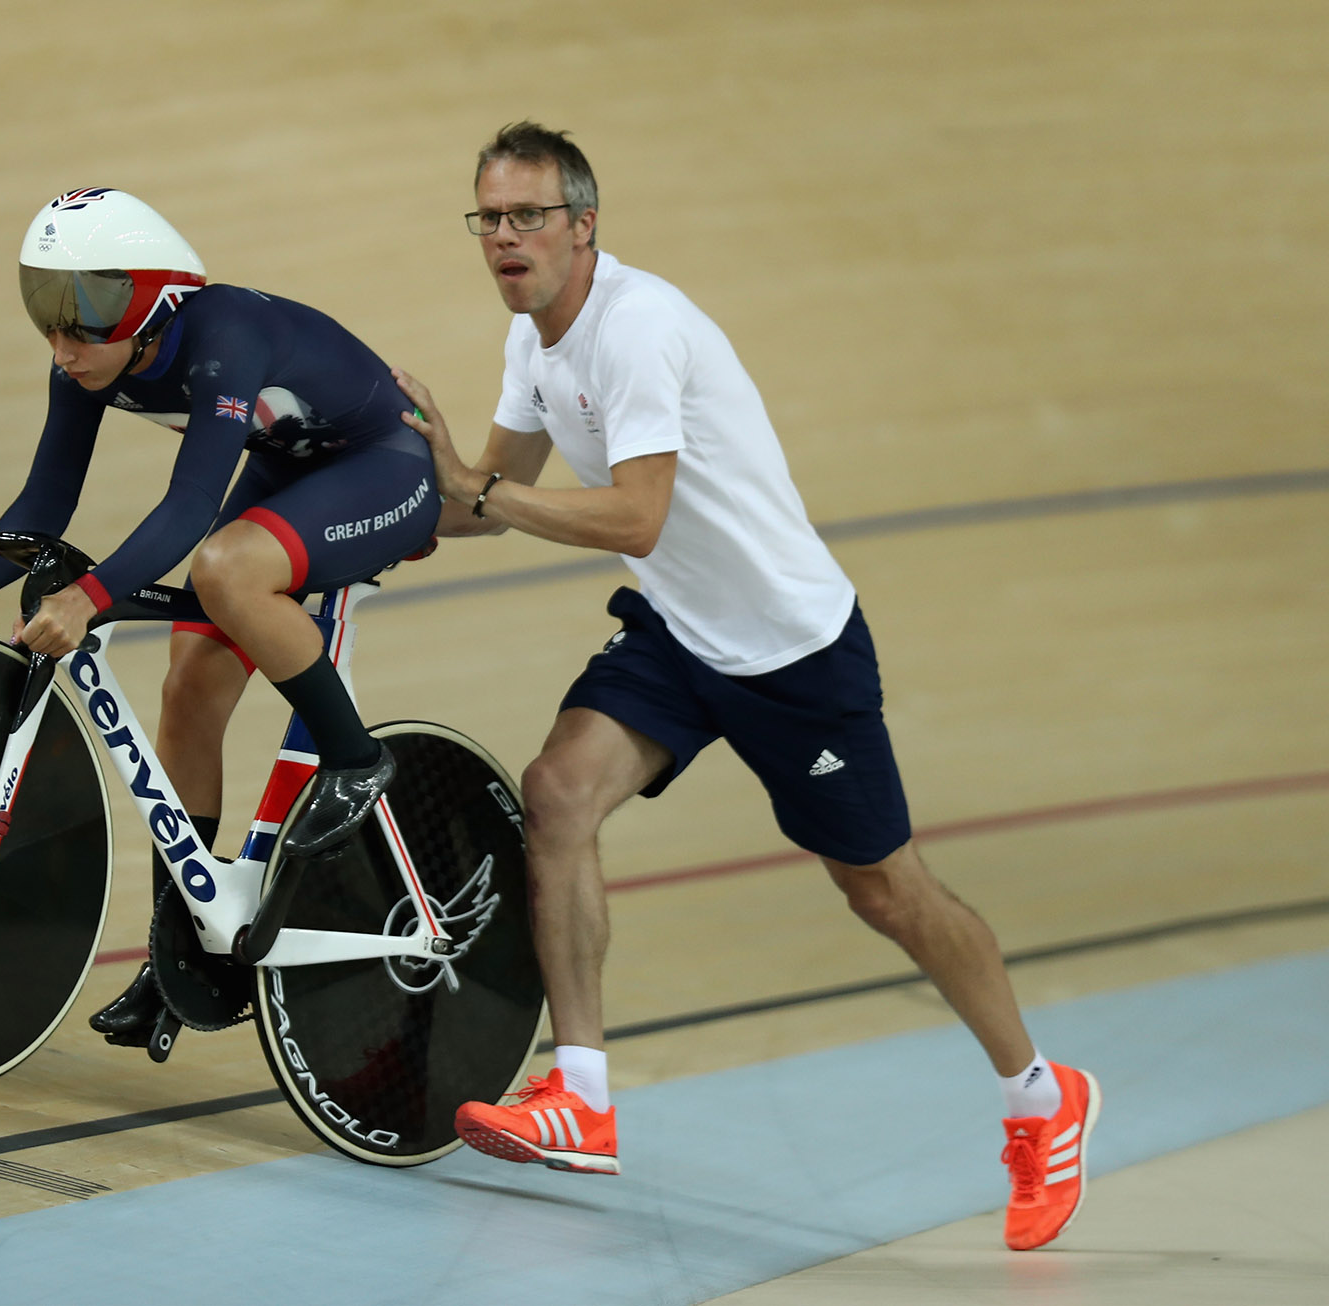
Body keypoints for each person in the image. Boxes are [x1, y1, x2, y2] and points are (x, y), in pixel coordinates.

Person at [391, 123, 1099, 1251]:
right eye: (489, 218)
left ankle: (1038, 1094)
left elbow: (631, 515)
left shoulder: (637, 329)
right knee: (560, 789)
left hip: (790, 653)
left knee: (885, 892)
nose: (506, 239)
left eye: (528, 216)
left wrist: (474, 487)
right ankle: (581, 1094)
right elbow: (484, 498)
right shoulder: (533, 337)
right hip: (679, 631)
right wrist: (349, 519)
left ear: (583, 226)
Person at [0, 187, 436, 1047]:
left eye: (85, 318)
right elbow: (46, 500)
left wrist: (90, 597)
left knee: (224, 567)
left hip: (384, 470)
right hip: (293, 471)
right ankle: (178, 950)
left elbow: (192, 507)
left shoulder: (224, 336)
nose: (63, 342)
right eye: (47, 313)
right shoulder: (85, 358)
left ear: (152, 302)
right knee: (188, 686)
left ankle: (356, 760)